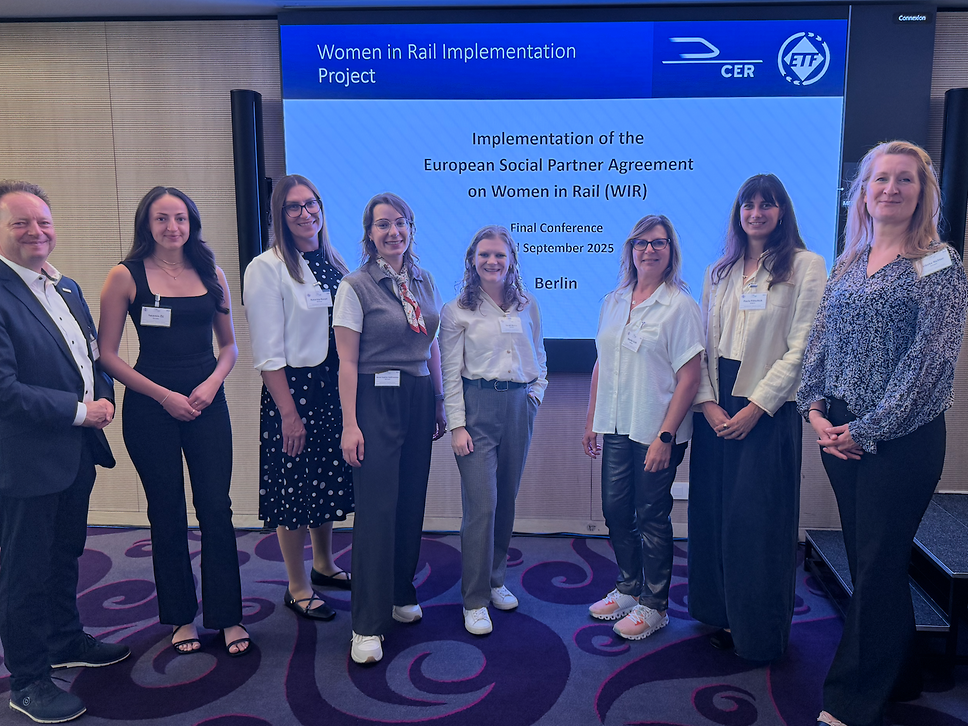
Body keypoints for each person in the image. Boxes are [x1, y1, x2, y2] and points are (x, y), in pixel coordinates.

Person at [798, 141, 967, 726]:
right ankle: (902, 675)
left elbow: (928, 364)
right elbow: (821, 339)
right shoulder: (850, 260)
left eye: (905, 179)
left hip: (901, 442)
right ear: (862, 193)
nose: (891, 188)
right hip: (839, 432)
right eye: (880, 179)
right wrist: (813, 409)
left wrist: (867, 430)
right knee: (877, 562)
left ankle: (851, 700)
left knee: (873, 565)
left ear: (923, 193)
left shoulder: (938, 263)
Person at [99, 186, 250, 657]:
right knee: (166, 512)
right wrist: (164, 396)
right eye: (162, 218)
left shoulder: (212, 272)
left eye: (180, 218)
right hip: (151, 408)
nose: (172, 227)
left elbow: (229, 345)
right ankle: (181, 617)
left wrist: (212, 383)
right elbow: (106, 355)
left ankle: (227, 616)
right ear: (147, 224)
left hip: (207, 403)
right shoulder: (125, 276)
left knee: (216, 508)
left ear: (192, 223)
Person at [0, 180, 130, 724]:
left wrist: (104, 396)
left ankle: (63, 639)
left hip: (74, 453)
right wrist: (82, 411)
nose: (36, 231)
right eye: (20, 223)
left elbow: (91, 358)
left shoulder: (66, 287)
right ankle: (28, 680)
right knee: (23, 571)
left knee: (64, 553)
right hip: (25, 460)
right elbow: (4, 390)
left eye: (44, 222)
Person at [687, 174, 826, 662]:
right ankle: (720, 612)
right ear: (738, 212)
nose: (757, 213)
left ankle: (759, 633)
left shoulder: (806, 266)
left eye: (767, 204)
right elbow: (701, 345)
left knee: (757, 522)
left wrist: (757, 407)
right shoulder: (718, 271)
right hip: (715, 406)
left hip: (768, 409)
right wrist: (707, 402)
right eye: (749, 204)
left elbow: (803, 348)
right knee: (714, 515)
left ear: (782, 211)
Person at [333, 192, 446, 665]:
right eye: (383, 224)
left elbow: (431, 343)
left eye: (401, 222)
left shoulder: (423, 279)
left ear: (411, 229)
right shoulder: (355, 286)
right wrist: (350, 424)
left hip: (418, 396)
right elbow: (346, 361)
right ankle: (366, 623)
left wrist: (438, 399)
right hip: (374, 399)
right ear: (369, 233)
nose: (393, 231)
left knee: (409, 501)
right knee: (377, 509)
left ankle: (400, 593)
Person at [582, 214, 704, 641]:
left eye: (659, 243)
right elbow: (602, 362)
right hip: (617, 423)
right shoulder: (613, 301)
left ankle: (654, 605)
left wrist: (666, 437)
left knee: (651, 515)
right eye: (641, 243)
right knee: (616, 511)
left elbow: (690, 377)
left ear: (671, 251)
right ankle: (628, 588)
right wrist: (592, 419)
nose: (649, 250)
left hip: (657, 429)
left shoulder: (680, 305)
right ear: (630, 250)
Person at [243, 175, 353, 622]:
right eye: (294, 207)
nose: (306, 213)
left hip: (333, 387)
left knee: (323, 482)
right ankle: (297, 584)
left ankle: (324, 564)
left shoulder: (333, 261)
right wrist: (288, 413)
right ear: (280, 215)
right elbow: (267, 352)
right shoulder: (266, 267)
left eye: (312, 204)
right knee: (293, 489)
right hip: (295, 392)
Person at [439, 225, 548, 636]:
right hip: (477, 408)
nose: (492, 261)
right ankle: (474, 599)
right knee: (482, 505)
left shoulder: (527, 305)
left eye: (500, 254)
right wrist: (457, 425)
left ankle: (496, 579)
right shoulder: (456, 310)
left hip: (519, 407)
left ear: (511, 260)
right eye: (484, 254)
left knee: (505, 501)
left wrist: (534, 397)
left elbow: (539, 355)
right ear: (472, 259)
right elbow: (450, 372)